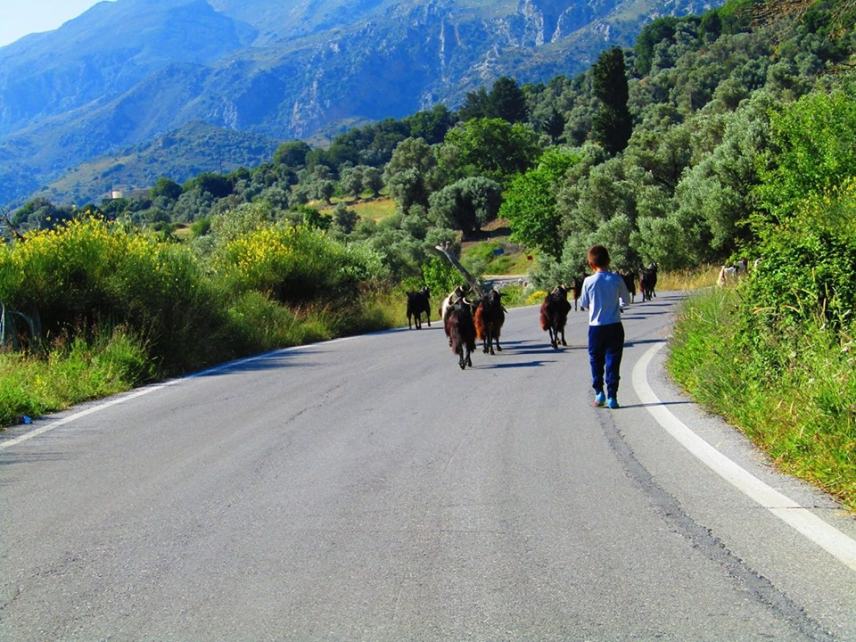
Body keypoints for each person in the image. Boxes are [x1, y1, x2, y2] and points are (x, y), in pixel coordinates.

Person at [578, 245, 631, 409]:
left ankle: (599, 392)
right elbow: (626, 301)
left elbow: (584, 303)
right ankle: (613, 396)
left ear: (591, 264)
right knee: (613, 361)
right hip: (614, 326)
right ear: (608, 260)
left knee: (596, 360)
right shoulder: (616, 279)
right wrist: (617, 303)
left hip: (596, 328)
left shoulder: (588, 281)